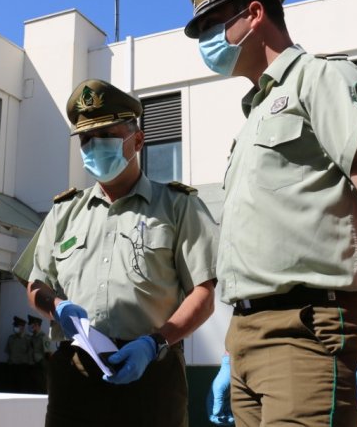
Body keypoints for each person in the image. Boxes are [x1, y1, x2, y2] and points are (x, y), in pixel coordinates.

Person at [182, 0, 357, 427]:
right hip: (246, 341)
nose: (205, 40)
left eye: (213, 23)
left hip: (310, 333)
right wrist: (234, 350)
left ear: (254, 14)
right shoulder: (253, 115)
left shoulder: (323, 79)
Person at [13, 79, 219, 427]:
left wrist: (155, 343)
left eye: (106, 136)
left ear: (137, 141)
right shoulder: (64, 212)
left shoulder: (178, 206)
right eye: (86, 140)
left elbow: (204, 293)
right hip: (75, 374)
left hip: (152, 371)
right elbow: (35, 284)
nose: (94, 147)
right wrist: (56, 306)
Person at [5, 315, 32, 392]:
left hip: (23, 368)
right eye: (15, 326)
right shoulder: (11, 338)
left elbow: (30, 354)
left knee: (23, 390)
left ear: (22, 327)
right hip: (12, 367)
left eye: (17, 326)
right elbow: (8, 352)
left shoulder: (28, 339)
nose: (15, 328)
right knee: (11, 390)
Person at [27, 315, 51, 393]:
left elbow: (47, 352)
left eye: (32, 325)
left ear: (37, 325)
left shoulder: (43, 337)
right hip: (32, 365)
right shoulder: (32, 337)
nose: (30, 327)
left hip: (41, 365)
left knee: (42, 386)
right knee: (34, 387)